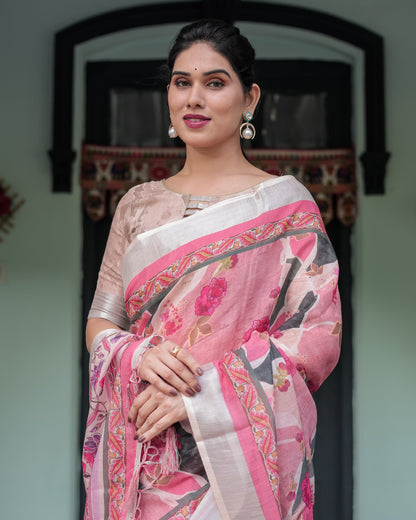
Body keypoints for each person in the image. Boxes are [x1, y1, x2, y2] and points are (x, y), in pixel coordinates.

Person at [83, 19, 341, 520]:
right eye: (182, 83)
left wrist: (202, 398)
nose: (194, 98)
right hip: (147, 459)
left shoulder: (288, 209)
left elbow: (315, 336)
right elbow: (100, 322)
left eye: (215, 83)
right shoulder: (137, 206)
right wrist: (135, 356)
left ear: (250, 99)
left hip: (243, 468)